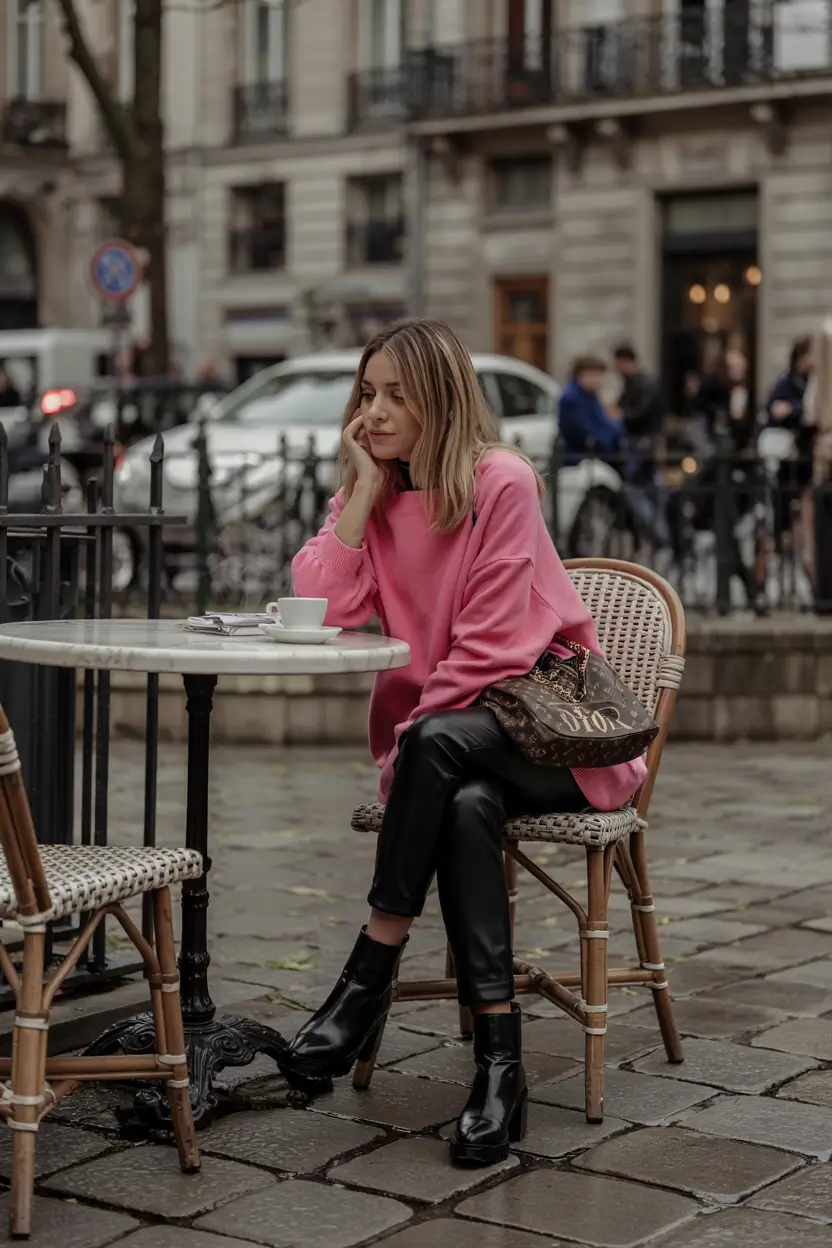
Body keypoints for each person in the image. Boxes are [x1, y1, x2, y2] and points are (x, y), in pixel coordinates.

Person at [281, 319, 647, 1167]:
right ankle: (499, 1068)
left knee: (444, 752)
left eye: (395, 396)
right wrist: (363, 495)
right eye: (366, 393)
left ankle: (369, 972)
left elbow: (488, 651)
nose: (372, 412)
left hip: (555, 746)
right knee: (468, 805)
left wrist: (411, 747)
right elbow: (318, 602)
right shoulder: (379, 489)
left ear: (440, 401)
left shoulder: (501, 480)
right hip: (457, 755)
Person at [557, 355, 626, 466]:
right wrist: (611, 446)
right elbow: (585, 433)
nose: (600, 380)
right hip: (582, 460)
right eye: (596, 375)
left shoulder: (589, 396)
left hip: (597, 456)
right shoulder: (572, 400)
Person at [611, 343, 664, 475]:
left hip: (643, 440)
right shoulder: (631, 383)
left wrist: (620, 414)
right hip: (637, 439)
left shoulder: (645, 384)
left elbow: (641, 411)